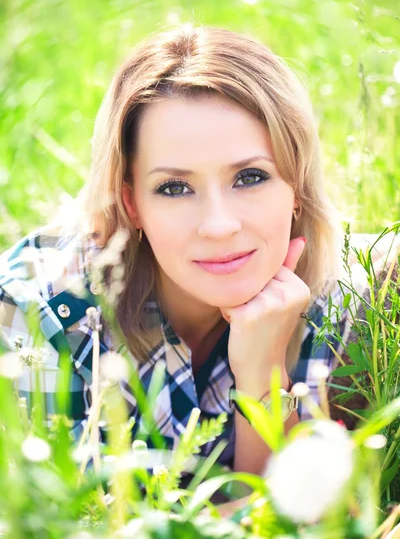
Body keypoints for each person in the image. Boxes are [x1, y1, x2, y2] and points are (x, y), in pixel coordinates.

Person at [0, 24, 349, 479]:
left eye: (249, 177)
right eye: (175, 187)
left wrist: (263, 370)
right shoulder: (39, 317)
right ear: (132, 204)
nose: (220, 226)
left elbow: (291, 526)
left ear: (297, 185)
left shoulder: (329, 300)